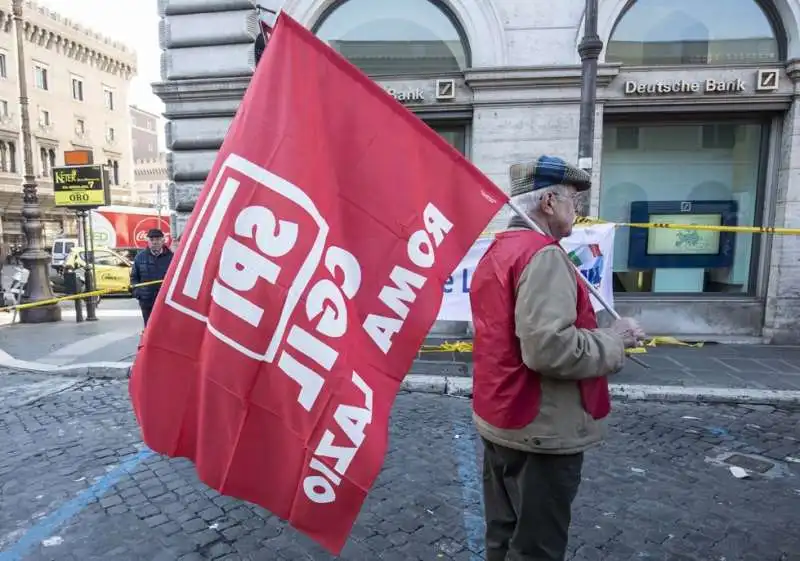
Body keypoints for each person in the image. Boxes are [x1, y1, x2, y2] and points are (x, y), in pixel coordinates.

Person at [469, 155, 645, 561]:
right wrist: (615, 339)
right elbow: (549, 349)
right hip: (540, 428)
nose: (577, 211)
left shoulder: (500, 248)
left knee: (502, 534)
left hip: (503, 418)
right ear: (549, 202)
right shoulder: (542, 255)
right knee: (537, 548)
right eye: (573, 202)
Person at [130, 228, 173, 327]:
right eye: (152, 239)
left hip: (165, 301)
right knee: (149, 328)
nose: (155, 242)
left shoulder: (171, 257)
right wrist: (139, 294)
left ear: (163, 240)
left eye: (157, 239)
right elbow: (134, 278)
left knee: (165, 328)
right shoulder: (139, 257)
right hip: (147, 301)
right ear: (148, 241)